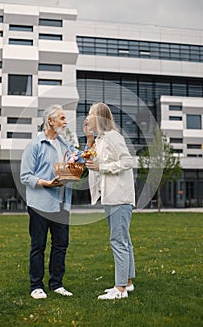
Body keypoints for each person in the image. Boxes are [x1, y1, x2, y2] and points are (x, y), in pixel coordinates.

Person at [20, 105, 75, 299]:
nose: (65, 122)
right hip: (40, 204)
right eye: (61, 118)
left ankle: (56, 284)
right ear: (50, 121)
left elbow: (80, 160)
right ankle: (36, 286)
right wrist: (46, 183)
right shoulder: (35, 145)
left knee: (61, 245)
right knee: (38, 245)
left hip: (62, 204)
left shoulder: (66, 145)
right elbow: (25, 176)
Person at [84, 102, 136, 300]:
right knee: (125, 240)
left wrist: (103, 167)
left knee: (118, 241)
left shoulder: (114, 137)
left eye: (91, 114)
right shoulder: (101, 139)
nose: (88, 118)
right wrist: (89, 138)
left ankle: (120, 289)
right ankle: (128, 283)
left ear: (100, 118)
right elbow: (90, 158)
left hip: (119, 198)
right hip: (110, 196)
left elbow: (127, 161)